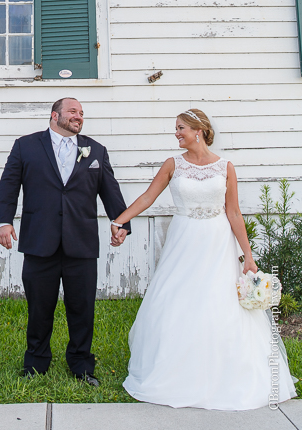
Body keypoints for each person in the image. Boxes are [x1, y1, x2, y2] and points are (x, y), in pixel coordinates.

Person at [111, 108, 296, 410]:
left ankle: (227, 371)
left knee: (218, 301)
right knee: (177, 299)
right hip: (184, 239)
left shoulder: (225, 167)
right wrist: (119, 220)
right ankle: (174, 369)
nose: (176, 133)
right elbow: (148, 197)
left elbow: (234, 212)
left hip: (217, 240)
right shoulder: (173, 164)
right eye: (176, 128)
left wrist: (247, 257)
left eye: (181, 128)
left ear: (198, 130)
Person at [0, 97, 130, 385]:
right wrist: (3, 222)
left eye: (81, 113)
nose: (78, 116)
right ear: (54, 115)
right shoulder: (26, 146)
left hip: (81, 242)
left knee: (82, 308)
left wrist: (121, 222)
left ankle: (82, 364)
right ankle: (36, 362)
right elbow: (9, 185)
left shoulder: (96, 150)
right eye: (72, 111)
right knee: (39, 307)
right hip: (39, 240)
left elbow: (110, 190)